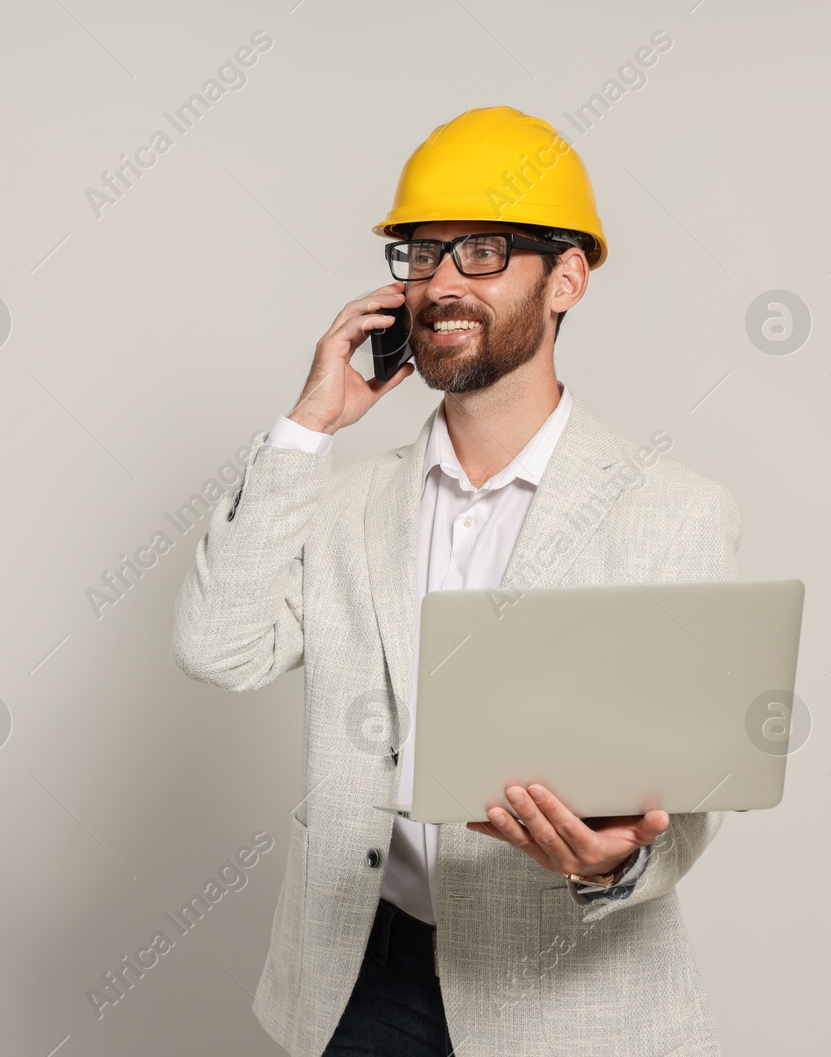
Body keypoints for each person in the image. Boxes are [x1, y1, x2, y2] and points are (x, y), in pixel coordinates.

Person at [171, 106, 739, 1056]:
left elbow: (692, 796)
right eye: (422, 255)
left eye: (481, 252)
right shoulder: (345, 503)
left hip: (570, 990)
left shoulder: (673, 512)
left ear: (567, 279)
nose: (441, 284)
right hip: (362, 982)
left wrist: (612, 865)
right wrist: (308, 429)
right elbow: (215, 646)